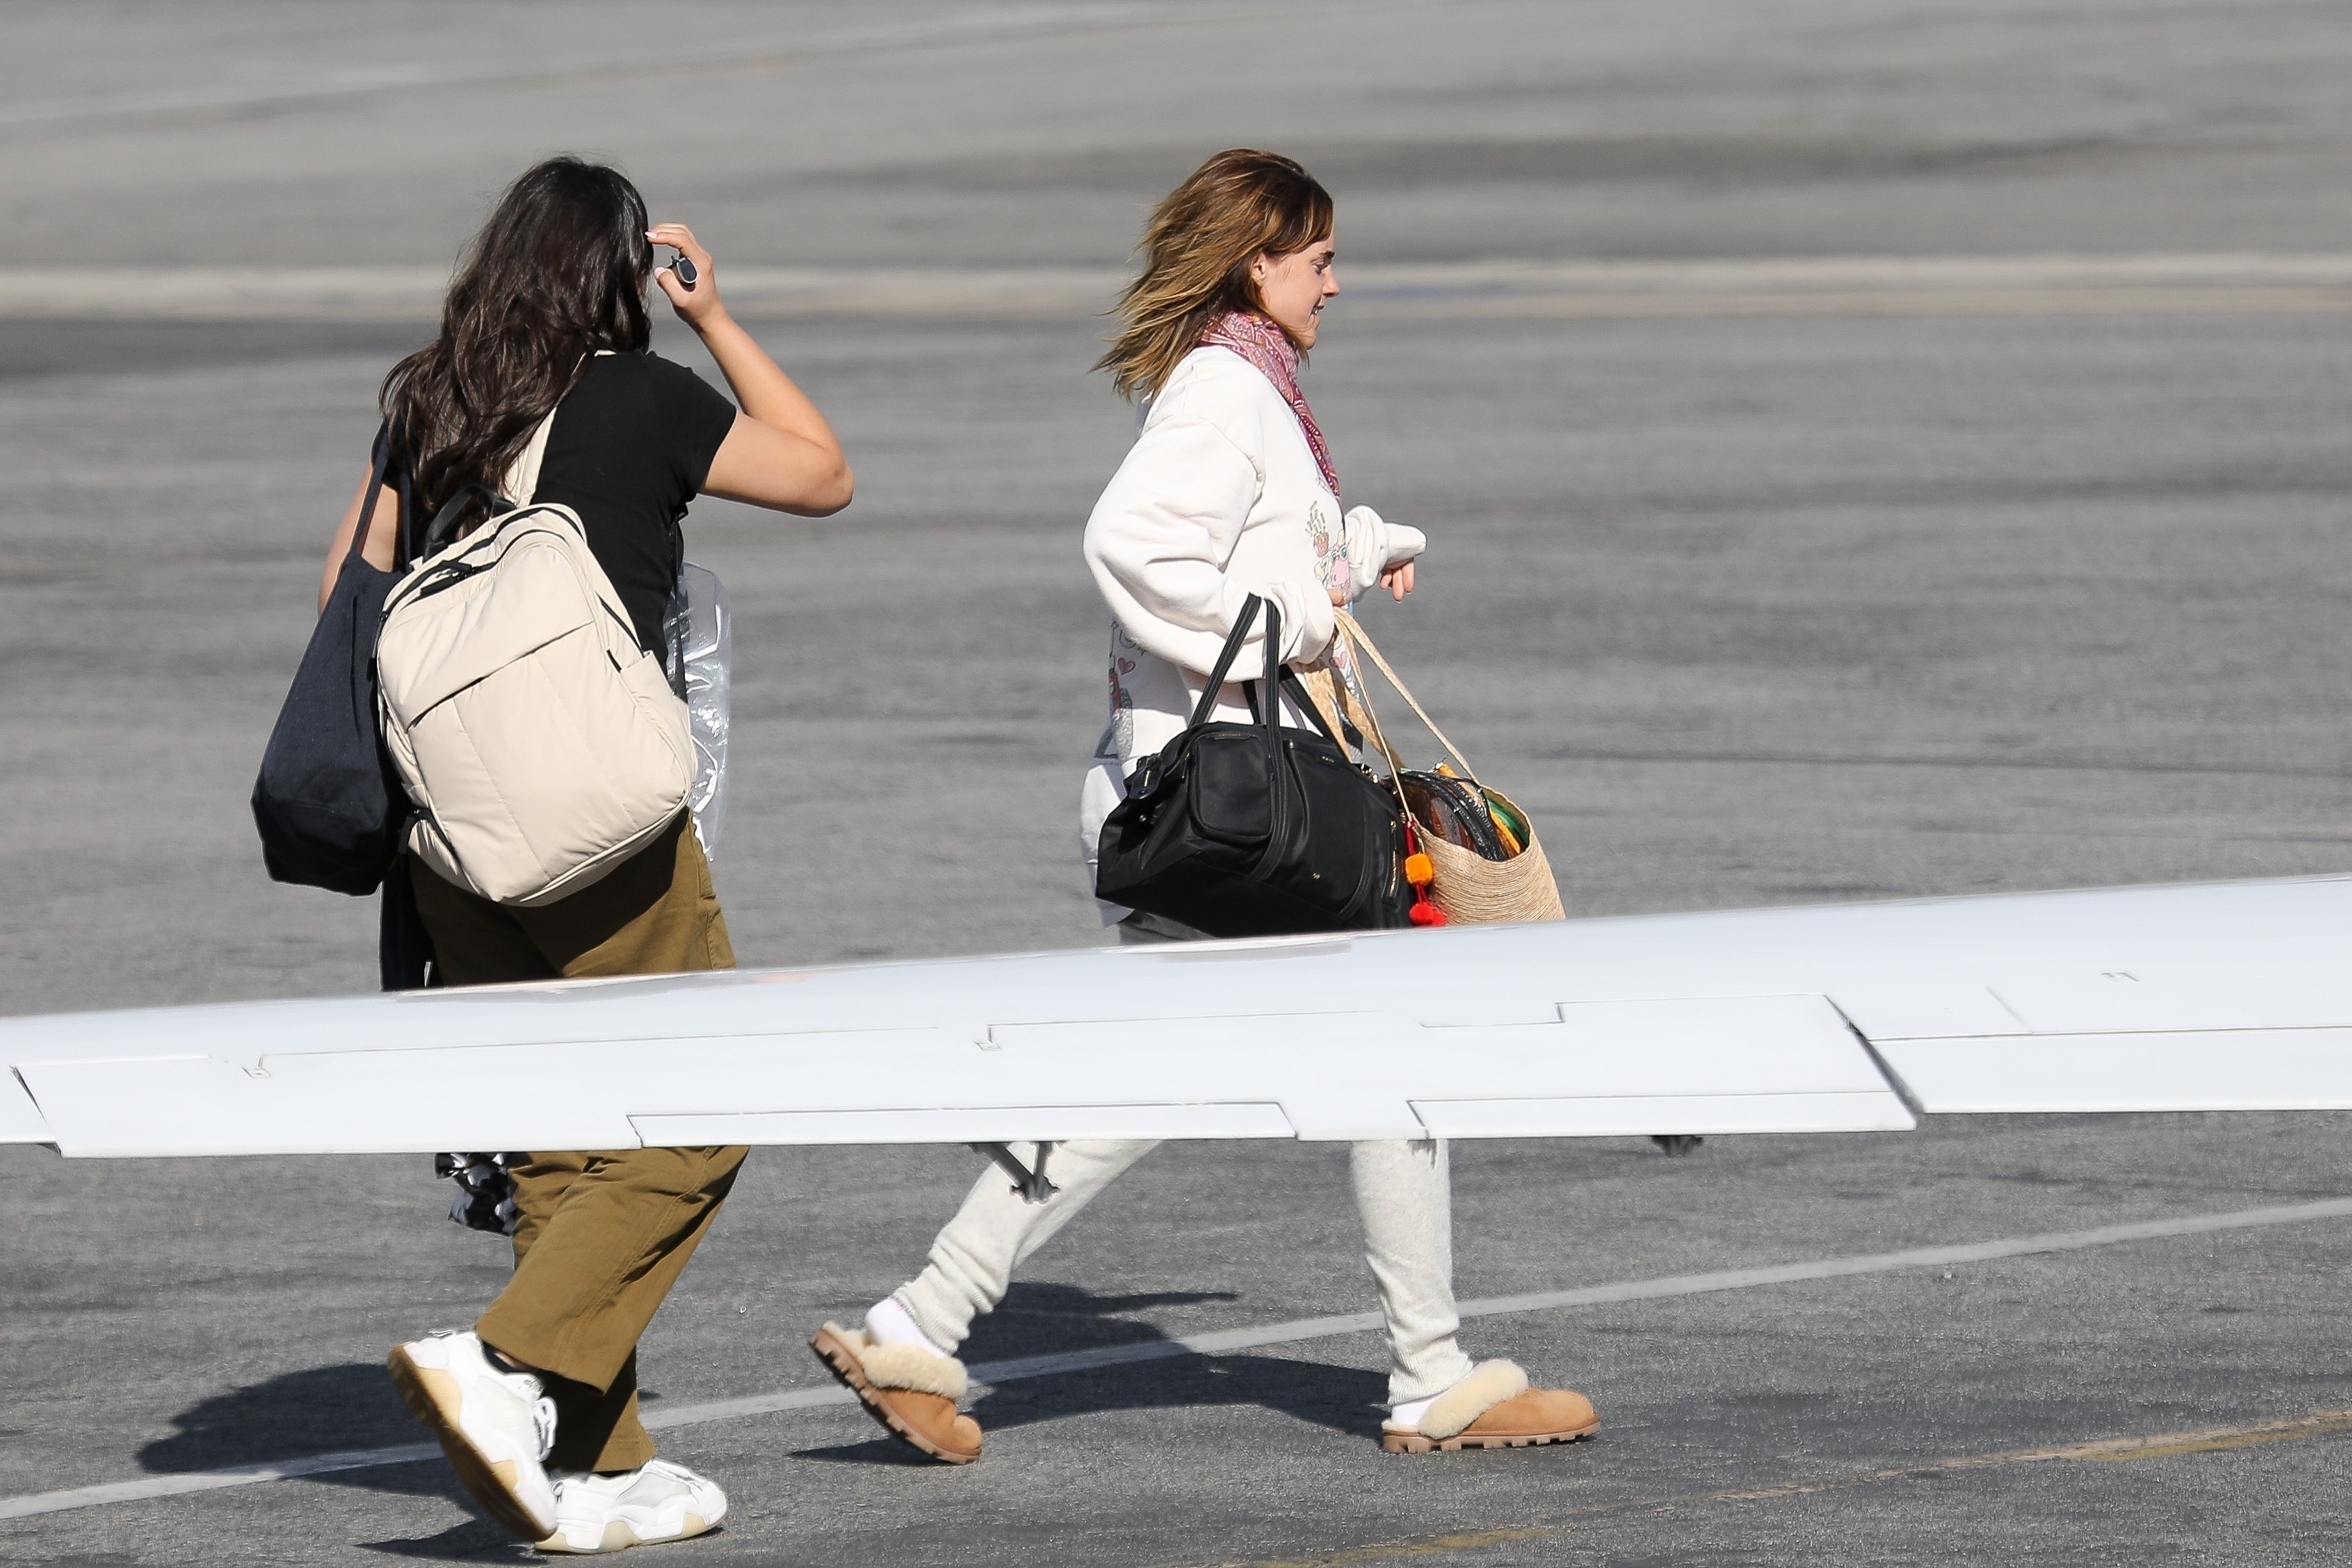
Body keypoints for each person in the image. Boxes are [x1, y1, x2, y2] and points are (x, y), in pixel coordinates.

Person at [809, 148, 1594, 1463]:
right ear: (1256, 261)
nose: (1334, 284)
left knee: (1231, 1069)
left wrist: (1366, 546)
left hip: (1201, 794)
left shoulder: (1241, 382)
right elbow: (1136, 543)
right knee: (1358, 1061)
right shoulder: (1227, 392)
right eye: (1319, 260)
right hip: (1231, 805)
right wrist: (1299, 623)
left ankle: (922, 1322)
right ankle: (1427, 1378)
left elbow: (1262, 544)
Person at [332, 157, 851, 1553]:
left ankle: (595, 1464)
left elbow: (348, 595)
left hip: (451, 838)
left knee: (564, 1143)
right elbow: (822, 473)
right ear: (621, 277)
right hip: (599, 822)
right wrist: (715, 316)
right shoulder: (643, 397)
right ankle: (504, 1364)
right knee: (703, 1111)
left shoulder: (428, 399)